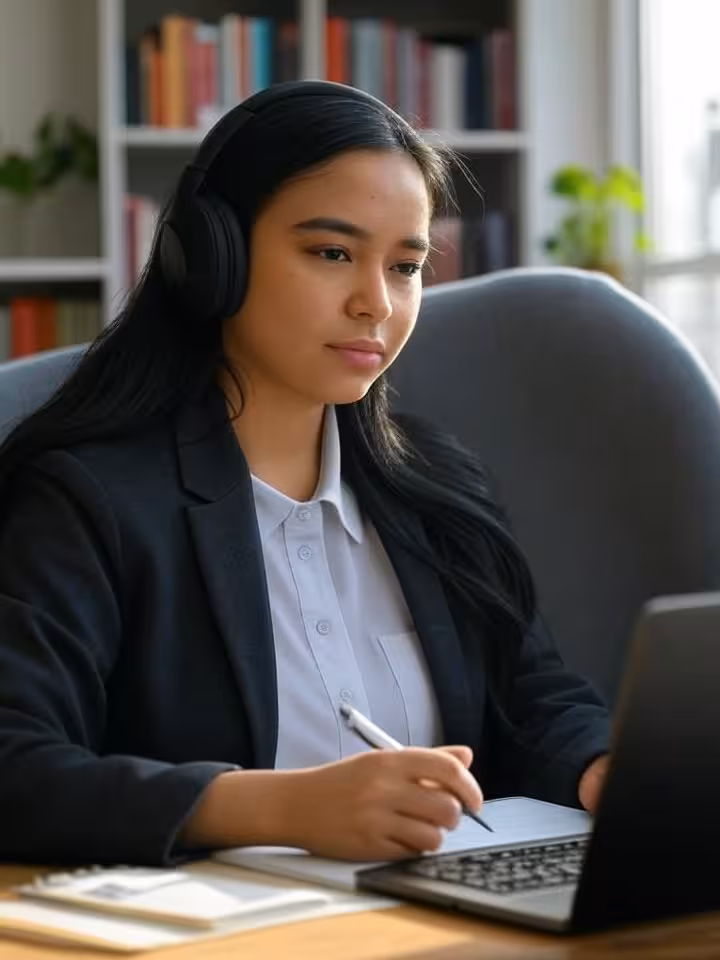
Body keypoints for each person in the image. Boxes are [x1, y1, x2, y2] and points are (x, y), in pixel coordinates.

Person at [0, 81, 610, 867]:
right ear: (213, 258)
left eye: (406, 266)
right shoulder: (86, 501)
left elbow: (533, 702)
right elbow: (15, 766)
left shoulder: (435, 486)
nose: (375, 303)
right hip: (217, 922)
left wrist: (605, 770)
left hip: (437, 912)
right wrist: (280, 807)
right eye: (332, 253)